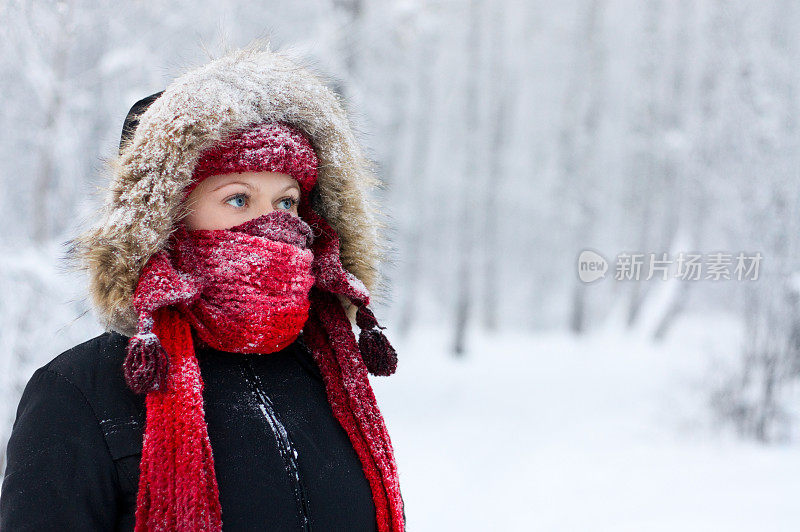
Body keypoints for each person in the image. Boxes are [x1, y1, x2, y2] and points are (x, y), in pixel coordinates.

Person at [0, 40, 406, 531]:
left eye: (286, 203)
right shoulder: (81, 391)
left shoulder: (329, 376)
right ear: (169, 217)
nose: (272, 224)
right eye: (238, 199)